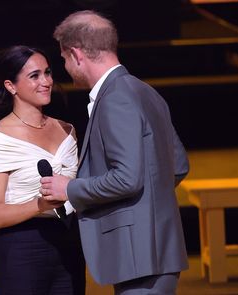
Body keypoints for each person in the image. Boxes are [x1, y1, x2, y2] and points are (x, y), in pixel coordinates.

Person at [40, 10, 190, 295]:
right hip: (154, 252)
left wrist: (70, 188)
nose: (66, 68)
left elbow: (127, 178)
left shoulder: (115, 99)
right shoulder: (144, 90)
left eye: (63, 60)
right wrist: (148, 213)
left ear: (76, 54)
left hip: (140, 256)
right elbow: (178, 165)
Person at [0, 45, 85, 295]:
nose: (46, 81)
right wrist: (41, 205)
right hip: (22, 248)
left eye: (47, 73)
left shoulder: (67, 130)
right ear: (11, 86)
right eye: (34, 76)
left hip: (69, 242)